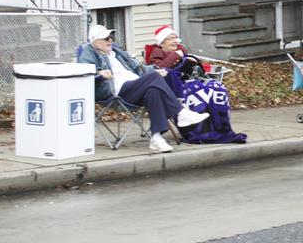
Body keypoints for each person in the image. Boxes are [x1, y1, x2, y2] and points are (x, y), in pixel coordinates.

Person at [78, 24, 208, 153]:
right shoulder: (88, 53)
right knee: (153, 78)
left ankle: (156, 138)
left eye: (111, 37)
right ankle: (180, 113)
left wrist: (156, 69)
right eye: (106, 38)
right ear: (95, 41)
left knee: (154, 91)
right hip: (116, 92)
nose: (110, 40)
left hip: (135, 87)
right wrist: (99, 75)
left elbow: (138, 68)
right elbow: (83, 74)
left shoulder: (116, 52)